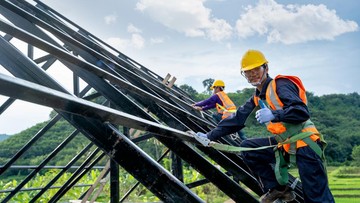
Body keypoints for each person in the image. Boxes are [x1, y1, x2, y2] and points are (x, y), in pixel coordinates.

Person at [196, 50, 334, 203]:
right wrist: (209, 136)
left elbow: (301, 111)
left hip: (305, 143)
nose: (252, 74)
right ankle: (279, 189)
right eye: (248, 72)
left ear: (266, 68)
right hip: (285, 143)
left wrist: (275, 115)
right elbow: (237, 120)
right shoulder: (257, 96)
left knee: (316, 198)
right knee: (249, 149)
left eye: (256, 69)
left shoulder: (281, 84)